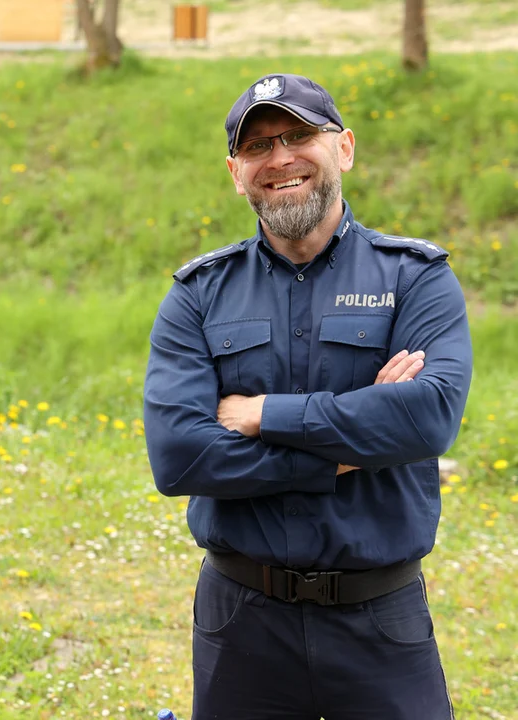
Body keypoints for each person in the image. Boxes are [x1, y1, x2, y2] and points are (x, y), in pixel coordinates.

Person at [143, 73, 471, 719]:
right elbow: (181, 458)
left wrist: (264, 414)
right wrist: (342, 452)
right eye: (258, 145)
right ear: (237, 172)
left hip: (381, 618)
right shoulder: (198, 294)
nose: (281, 158)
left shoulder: (416, 280)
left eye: (299, 135)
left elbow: (427, 418)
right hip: (241, 619)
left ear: (343, 147)